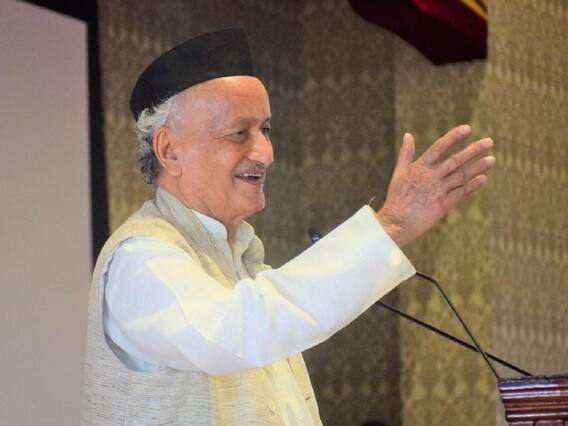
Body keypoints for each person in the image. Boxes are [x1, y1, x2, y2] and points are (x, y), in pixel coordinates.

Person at [81, 27, 495, 425]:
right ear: (170, 150)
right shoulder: (140, 259)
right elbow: (239, 329)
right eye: (239, 133)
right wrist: (390, 227)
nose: (265, 153)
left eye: (265, 130)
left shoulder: (243, 264)